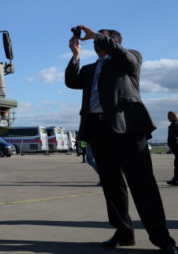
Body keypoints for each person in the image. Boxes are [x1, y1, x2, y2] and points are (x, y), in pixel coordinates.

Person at [65, 25, 177, 253]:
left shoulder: (129, 59)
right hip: (98, 130)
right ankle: (123, 233)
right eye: (95, 41)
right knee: (112, 187)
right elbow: (71, 81)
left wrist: (94, 33)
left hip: (128, 129)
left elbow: (125, 57)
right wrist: (75, 55)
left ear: (114, 42)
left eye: (100, 40)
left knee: (143, 185)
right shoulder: (89, 69)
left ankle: (162, 239)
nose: (95, 43)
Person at [168, 111, 178, 186]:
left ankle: (176, 180)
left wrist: (174, 142)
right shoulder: (173, 124)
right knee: (177, 163)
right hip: (175, 147)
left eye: (169, 116)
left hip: (177, 146)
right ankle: (175, 179)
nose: (168, 118)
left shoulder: (175, 124)